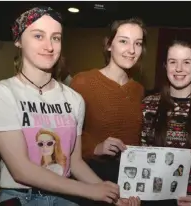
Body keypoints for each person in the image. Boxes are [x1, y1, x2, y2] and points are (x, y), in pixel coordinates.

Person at [0, 6, 136, 206]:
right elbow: (21, 169)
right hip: (20, 196)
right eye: (38, 36)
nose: (49, 46)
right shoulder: (1, 92)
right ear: (19, 41)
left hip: (64, 197)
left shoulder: (74, 99)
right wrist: (90, 191)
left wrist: (112, 195)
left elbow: (75, 162)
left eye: (55, 38)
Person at [70, 17, 146, 205]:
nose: (131, 50)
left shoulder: (138, 89)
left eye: (138, 43)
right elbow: (68, 136)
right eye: (123, 41)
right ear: (109, 45)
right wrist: (96, 148)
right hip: (91, 175)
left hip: (127, 178)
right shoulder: (83, 82)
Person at [141, 37, 191, 206]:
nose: (178, 69)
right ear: (165, 66)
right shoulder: (148, 104)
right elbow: (141, 152)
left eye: (186, 62)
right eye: (173, 62)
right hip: (157, 198)